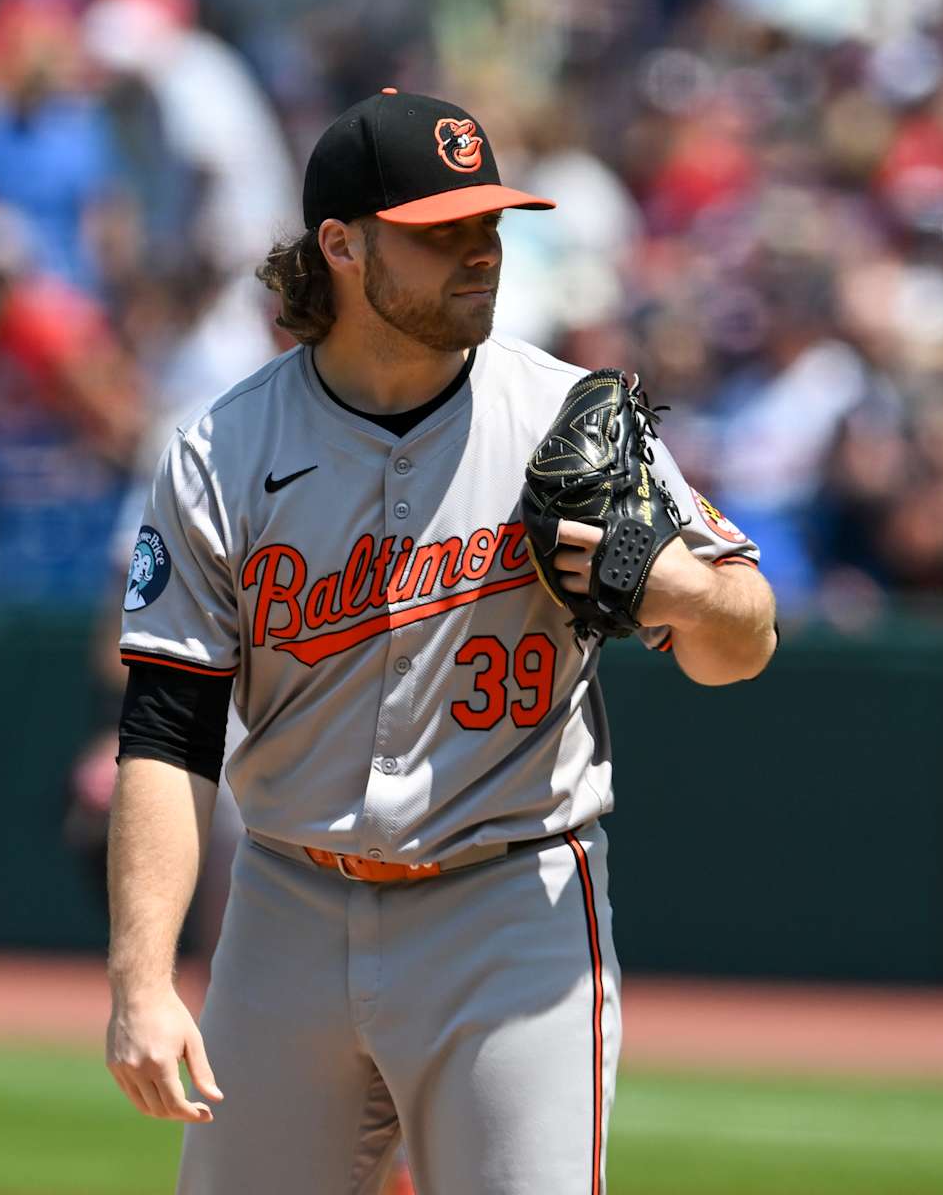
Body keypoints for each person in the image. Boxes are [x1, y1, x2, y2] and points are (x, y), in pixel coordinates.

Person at [103, 89, 778, 1195]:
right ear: (344, 246)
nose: (481, 252)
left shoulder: (570, 420)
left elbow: (743, 643)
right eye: (441, 230)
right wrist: (140, 978)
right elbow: (169, 732)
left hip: (510, 908)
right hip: (288, 905)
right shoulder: (226, 449)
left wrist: (683, 592)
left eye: (490, 224)